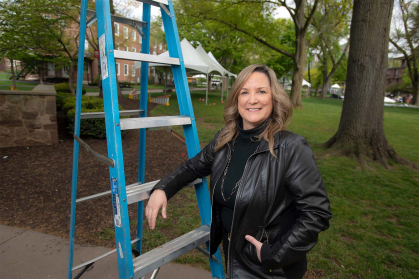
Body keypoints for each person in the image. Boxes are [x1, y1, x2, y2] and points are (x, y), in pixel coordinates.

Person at [146, 64, 332, 278]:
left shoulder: (291, 147)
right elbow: (193, 166)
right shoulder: (225, 139)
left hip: (271, 268)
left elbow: (317, 213)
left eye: (261, 91)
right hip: (234, 257)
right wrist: (162, 189)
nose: (252, 99)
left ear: (274, 98)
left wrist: (273, 254)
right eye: (245, 92)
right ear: (236, 99)